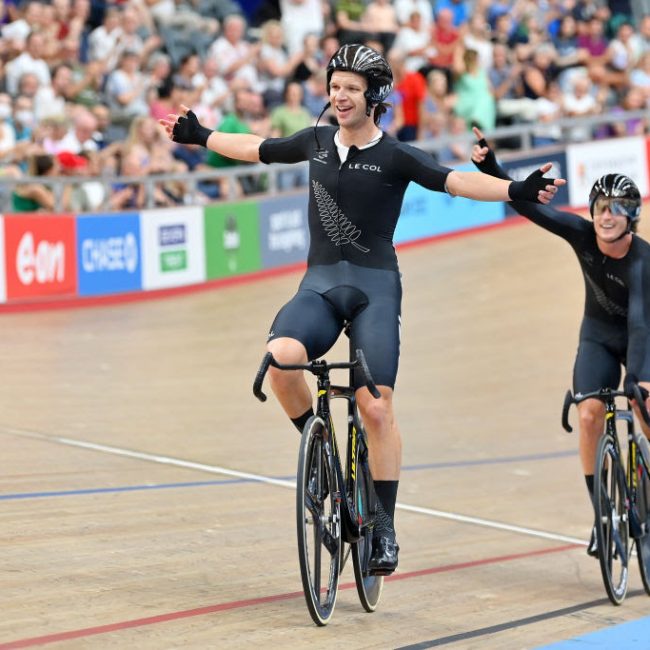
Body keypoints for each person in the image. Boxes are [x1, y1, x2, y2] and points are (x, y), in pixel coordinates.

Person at [160, 43, 563, 577]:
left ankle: (385, 525)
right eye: (333, 86)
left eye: (350, 87)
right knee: (280, 361)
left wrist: (517, 188)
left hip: (375, 289)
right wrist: (202, 135)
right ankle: (322, 459)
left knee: (375, 408)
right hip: (321, 285)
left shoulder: (396, 155)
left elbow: (458, 181)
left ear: (374, 95)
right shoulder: (317, 141)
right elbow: (259, 146)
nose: (338, 95)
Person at [470, 125, 650, 557]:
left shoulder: (644, 261)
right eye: (600, 208)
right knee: (589, 414)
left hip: (643, 340)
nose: (606, 216)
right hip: (599, 337)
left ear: (632, 217)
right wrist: (492, 167)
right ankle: (602, 517)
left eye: (616, 209)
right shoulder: (582, 234)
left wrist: (639, 380)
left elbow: (642, 323)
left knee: (646, 404)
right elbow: (529, 208)